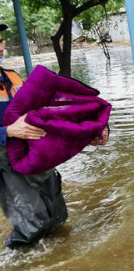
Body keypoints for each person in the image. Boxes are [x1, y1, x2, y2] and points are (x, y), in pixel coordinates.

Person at [0, 24, 68, 248]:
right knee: (32, 223)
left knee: (57, 216)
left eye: (1, 40)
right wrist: (8, 131)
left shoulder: (12, 76)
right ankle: (17, 259)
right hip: (6, 162)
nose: (1, 47)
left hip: (34, 154)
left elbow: (35, 111)